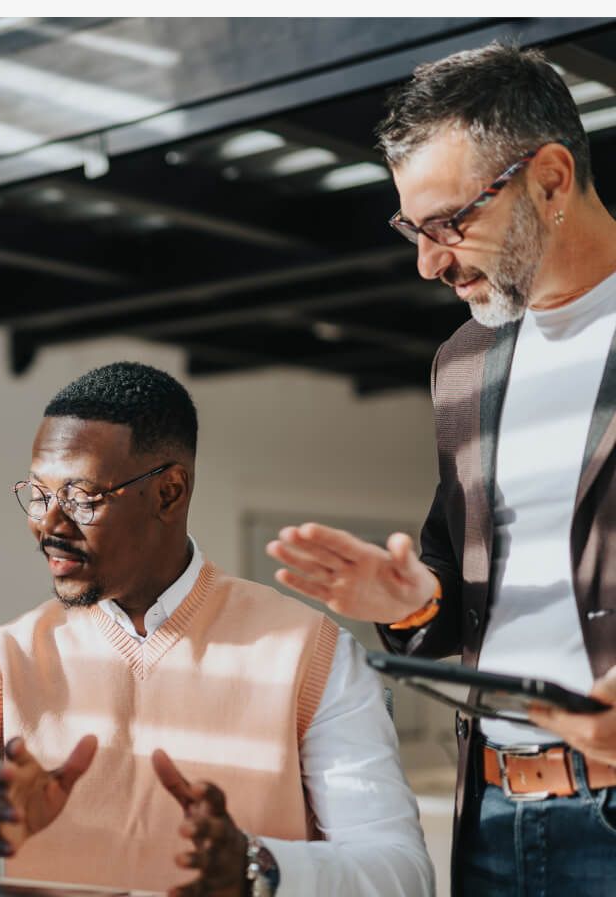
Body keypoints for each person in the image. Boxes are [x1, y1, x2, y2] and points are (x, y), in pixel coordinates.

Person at [268, 43, 616, 894]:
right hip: (494, 815)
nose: (429, 262)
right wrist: (411, 600)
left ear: (550, 179)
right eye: (411, 229)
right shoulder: (463, 364)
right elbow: (459, 593)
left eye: (449, 223)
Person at [0, 362, 434, 896]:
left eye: (82, 497)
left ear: (170, 492)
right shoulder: (1, 661)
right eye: (38, 493)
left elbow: (404, 876)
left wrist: (257, 868)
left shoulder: (312, 654)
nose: (50, 524)